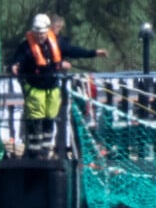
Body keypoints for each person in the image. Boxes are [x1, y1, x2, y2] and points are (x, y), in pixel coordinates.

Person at [9, 13, 108, 159]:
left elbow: (73, 51)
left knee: (50, 118)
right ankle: (35, 153)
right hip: (34, 88)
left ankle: (45, 151)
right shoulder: (25, 47)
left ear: (47, 31)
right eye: (37, 33)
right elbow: (17, 60)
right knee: (36, 120)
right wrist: (14, 66)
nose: (40, 37)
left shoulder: (56, 43)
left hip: (52, 87)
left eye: (42, 33)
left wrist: (93, 53)